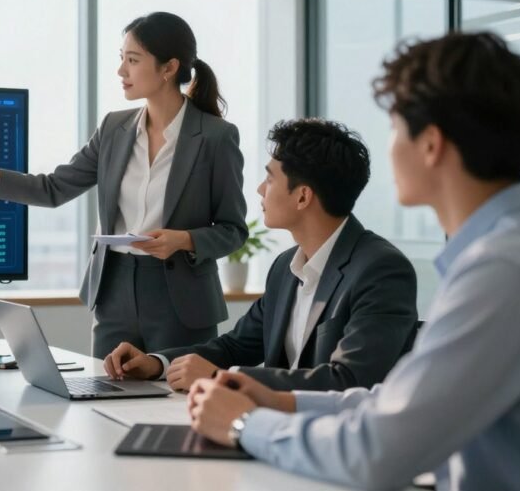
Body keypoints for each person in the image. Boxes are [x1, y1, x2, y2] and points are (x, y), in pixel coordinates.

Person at [187, 32, 520, 491]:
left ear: (431, 144)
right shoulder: (510, 251)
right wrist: (283, 401)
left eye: (395, 127)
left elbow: (376, 451)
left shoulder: (504, 270)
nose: (390, 147)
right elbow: (400, 402)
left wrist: (244, 426)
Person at [0, 11, 248, 357]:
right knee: (105, 394)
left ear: (168, 68)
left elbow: (233, 230)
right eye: (121, 59)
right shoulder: (114, 128)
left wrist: (182, 240)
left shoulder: (215, 137)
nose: (121, 71)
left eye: (133, 60)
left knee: (176, 403)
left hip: (182, 297)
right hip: (114, 288)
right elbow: (53, 188)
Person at [104, 118, 418, 391]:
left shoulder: (381, 270)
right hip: (271, 428)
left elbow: (350, 381)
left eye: (270, 178)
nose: (259, 189)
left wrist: (220, 378)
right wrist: (157, 364)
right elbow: (236, 346)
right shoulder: (286, 267)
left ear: (303, 196)